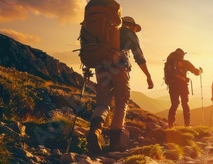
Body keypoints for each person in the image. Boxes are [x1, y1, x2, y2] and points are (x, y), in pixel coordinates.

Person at [87, 16, 154, 155]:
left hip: (101, 68)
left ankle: (95, 131)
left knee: (102, 103)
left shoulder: (105, 31)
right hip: (119, 67)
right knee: (122, 102)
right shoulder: (128, 33)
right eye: (135, 28)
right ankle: (114, 143)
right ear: (131, 25)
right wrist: (148, 76)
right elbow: (138, 56)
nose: (135, 30)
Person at [165, 48, 202, 128]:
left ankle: (170, 124)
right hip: (182, 85)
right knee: (185, 104)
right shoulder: (185, 62)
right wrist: (200, 71)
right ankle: (187, 124)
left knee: (174, 104)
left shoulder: (168, 63)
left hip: (172, 86)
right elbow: (195, 72)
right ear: (182, 54)